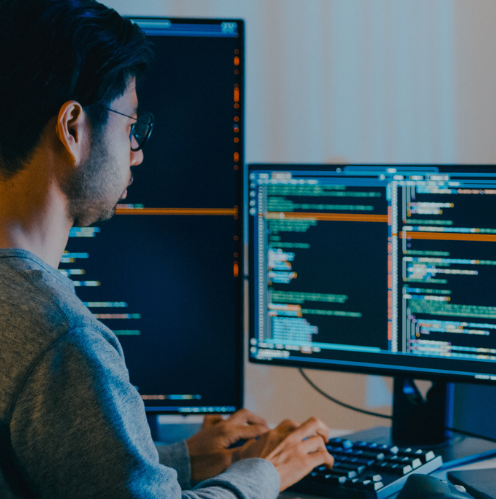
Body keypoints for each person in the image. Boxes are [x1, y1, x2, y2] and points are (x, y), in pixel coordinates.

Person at [0, 1, 333, 497]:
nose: (138, 151)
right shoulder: (61, 338)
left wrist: (179, 457)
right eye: (131, 126)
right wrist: (269, 470)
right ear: (73, 128)